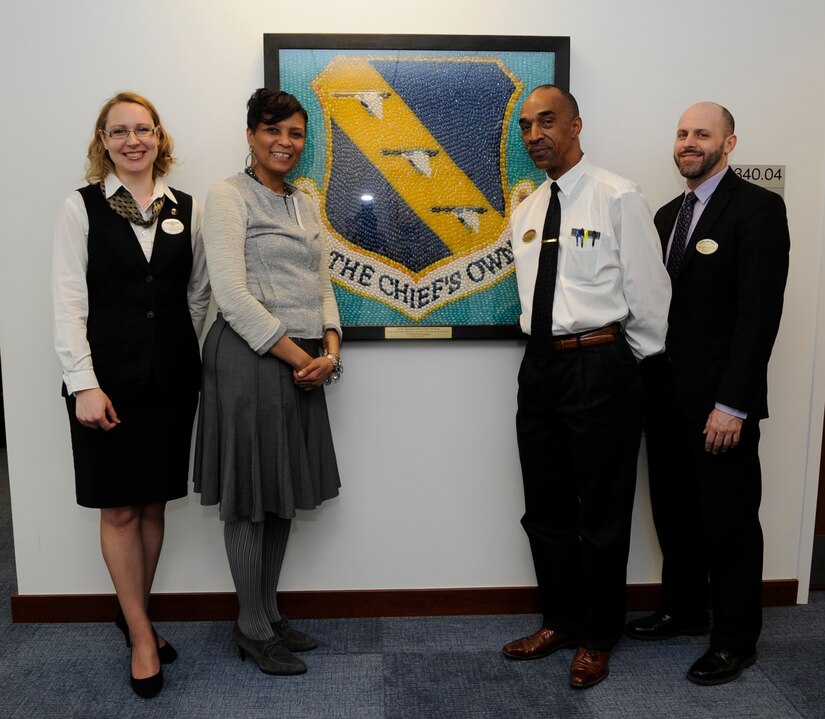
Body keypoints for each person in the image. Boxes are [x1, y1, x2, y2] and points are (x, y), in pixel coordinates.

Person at [502, 85, 671, 688]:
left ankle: (599, 634)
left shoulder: (617, 194)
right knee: (544, 507)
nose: (534, 135)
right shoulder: (524, 212)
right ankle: (561, 621)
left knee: (600, 512)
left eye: (546, 122)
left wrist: (632, 366)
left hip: (602, 364)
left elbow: (650, 296)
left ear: (577, 125)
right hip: (539, 367)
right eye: (525, 126)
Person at [624, 102, 790, 685]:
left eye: (702, 133)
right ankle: (684, 609)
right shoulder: (667, 214)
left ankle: (736, 639)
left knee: (730, 522)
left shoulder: (759, 209)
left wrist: (734, 404)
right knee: (673, 513)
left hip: (721, 405)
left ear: (730, 143)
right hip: (664, 397)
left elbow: (758, 316)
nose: (689, 142)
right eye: (681, 133)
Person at [53, 92, 210, 698]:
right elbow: (67, 300)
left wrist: (180, 351)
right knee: (118, 508)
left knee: (151, 506)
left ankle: (133, 613)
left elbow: (196, 294)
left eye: (142, 129)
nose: (132, 140)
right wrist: (83, 385)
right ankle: (143, 636)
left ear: (158, 136)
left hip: (170, 382)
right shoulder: (80, 207)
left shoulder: (186, 208)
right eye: (119, 132)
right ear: (104, 140)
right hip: (105, 385)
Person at [193, 88, 342, 677]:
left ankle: (268, 613)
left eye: (296, 133)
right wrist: (295, 356)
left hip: (303, 362)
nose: (285, 142)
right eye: (272, 130)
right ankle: (251, 628)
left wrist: (329, 350)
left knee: (280, 491)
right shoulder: (228, 196)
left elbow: (323, 284)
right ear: (251, 135)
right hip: (250, 361)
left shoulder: (306, 203)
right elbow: (230, 296)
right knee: (250, 500)